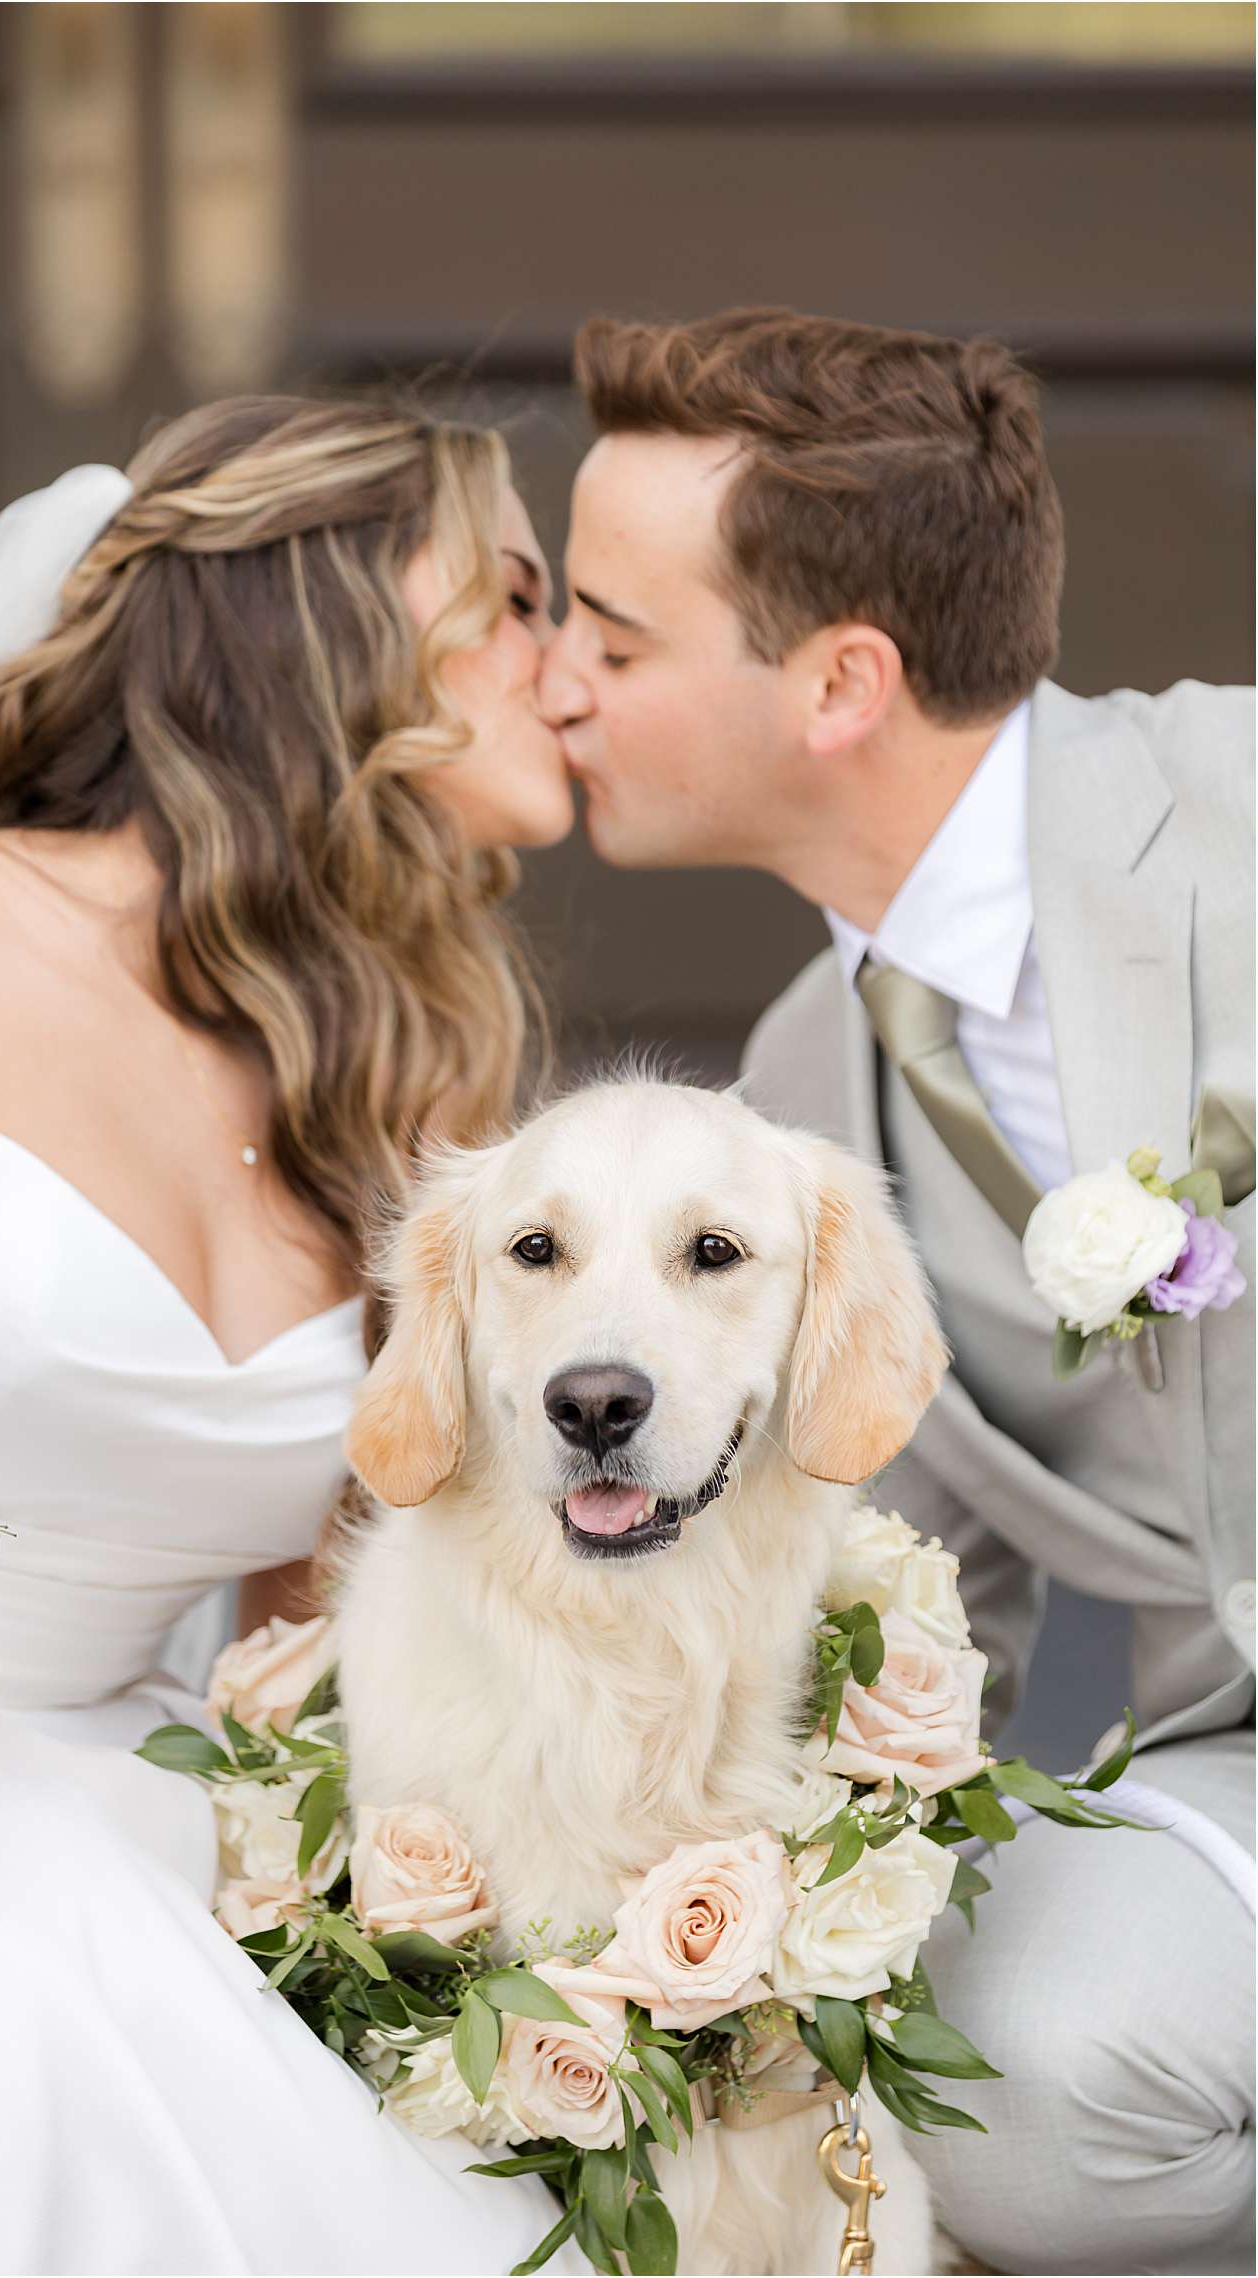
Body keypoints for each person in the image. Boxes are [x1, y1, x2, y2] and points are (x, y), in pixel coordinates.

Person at [0, 396, 588, 2276]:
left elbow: (325, 1611)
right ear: (345, 618)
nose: (573, 656)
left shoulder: (398, 1068)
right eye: (520, 593)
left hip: (147, 1805)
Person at [538, 306, 1255, 2276]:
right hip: (1234, 1758)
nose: (550, 686)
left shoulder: (1238, 808)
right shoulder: (795, 1091)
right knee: (1001, 2074)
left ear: (840, 680)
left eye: (610, 637)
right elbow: (905, 1591)